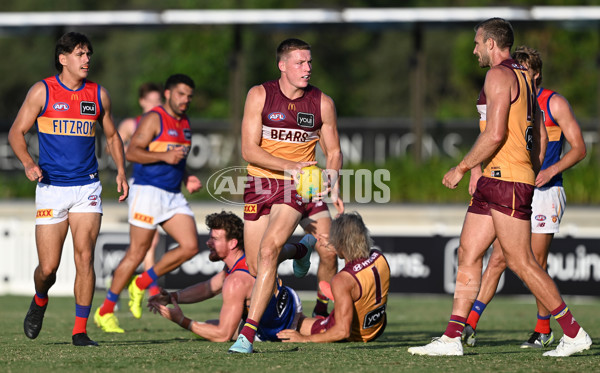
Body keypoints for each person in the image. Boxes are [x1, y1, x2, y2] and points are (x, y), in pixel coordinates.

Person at [408, 18, 592, 357]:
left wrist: (462, 167)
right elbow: (538, 134)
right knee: (469, 252)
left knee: (522, 262)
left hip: (506, 180)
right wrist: (529, 168)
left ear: (492, 43)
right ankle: (452, 337)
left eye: (477, 43)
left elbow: (493, 134)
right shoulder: (523, 77)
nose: (474, 49)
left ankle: (574, 332)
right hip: (497, 179)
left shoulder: (498, 75)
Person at [8, 32, 128, 346]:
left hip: (87, 187)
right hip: (50, 189)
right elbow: (16, 133)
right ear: (63, 59)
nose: (87, 59)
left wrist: (121, 172)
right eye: (79, 54)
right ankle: (40, 298)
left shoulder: (98, 94)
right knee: (48, 268)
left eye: (88, 54)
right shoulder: (42, 91)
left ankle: (79, 331)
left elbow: (113, 137)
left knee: (85, 257)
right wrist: (28, 163)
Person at [462, 46, 587, 349]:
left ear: (536, 73)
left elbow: (579, 148)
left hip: (546, 191)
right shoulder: (512, 99)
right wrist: (477, 168)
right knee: (498, 260)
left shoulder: (553, 102)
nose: (518, 77)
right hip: (516, 187)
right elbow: (489, 134)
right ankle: (467, 326)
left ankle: (545, 329)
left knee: (533, 262)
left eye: (525, 72)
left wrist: (549, 170)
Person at [229, 38, 343, 354]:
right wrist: (288, 164)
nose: (307, 68)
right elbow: (248, 149)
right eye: (299, 63)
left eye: (309, 62)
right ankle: (301, 248)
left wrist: (331, 179)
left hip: (297, 187)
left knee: (290, 249)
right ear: (282, 65)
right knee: (256, 264)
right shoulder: (259, 95)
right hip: (260, 185)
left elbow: (333, 151)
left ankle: (248, 335)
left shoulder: (322, 102)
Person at [94, 74, 202, 333]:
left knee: (190, 246)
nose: (185, 100)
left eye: (189, 96)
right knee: (137, 253)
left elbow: (178, 158)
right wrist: (165, 155)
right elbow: (131, 152)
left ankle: (141, 282)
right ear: (168, 94)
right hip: (148, 192)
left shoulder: (185, 122)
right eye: (180, 94)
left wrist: (187, 177)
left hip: (173, 194)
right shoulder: (154, 118)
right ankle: (105, 311)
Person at [147, 211, 314, 342]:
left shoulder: (236, 280)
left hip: (275, 325)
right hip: (282, 305)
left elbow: (223, 336)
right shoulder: (236, 266)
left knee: (216, 330)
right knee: (211, 325)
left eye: (214, 239)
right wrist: (170, 297)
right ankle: (300, 249)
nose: (208, 243)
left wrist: (182, 320)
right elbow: (207, 288)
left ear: (233, 243)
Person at [277, 212, 390, 343]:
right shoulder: (379, 257)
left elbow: (342, 331)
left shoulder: (342, 280)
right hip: (377, 327)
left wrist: (304, 339)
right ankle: (345, 298)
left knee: (291, 320)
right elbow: (353, 253)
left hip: (356, 335)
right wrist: (335, 244)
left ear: (341, 243)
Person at [116, 82, 163, 297]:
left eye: (158, 100)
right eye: (151, 100)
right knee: (149, 240)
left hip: (160, 186)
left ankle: (119, 277)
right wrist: (130, 150)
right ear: (142, 101)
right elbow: (111, 145)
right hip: (139, 185)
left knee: (145, 242)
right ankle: (150, 286)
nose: (155, 104)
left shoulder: (164, 123)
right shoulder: (131, 124)